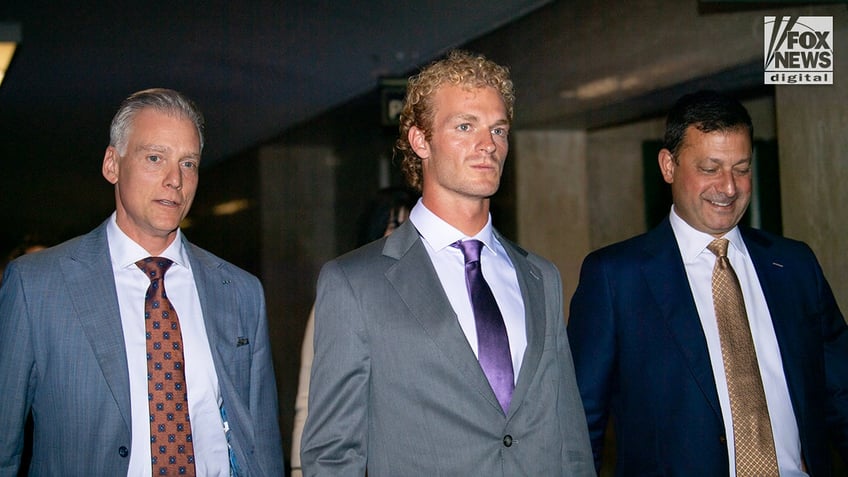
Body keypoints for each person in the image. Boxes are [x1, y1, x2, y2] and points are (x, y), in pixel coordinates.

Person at [300, 50, 594, 476]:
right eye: (464, 126)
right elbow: (332, 454)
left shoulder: (539, 276)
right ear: (421, 140)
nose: (488, 145)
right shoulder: (355, 283)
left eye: (498, 129)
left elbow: (569, 438)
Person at [0, 88, 285, 476]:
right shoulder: (37, 287)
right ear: (112, 164)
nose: (175, 180)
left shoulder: (240, 291)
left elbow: (262, 444)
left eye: (188, 163)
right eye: (155, 158)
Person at [567, 90, 848, 476]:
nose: (729, 187)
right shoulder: (616, 278)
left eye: (742, 168)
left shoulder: (795, 266)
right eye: (710, 168)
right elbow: (581, 422)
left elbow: (841, 392)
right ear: (668, 166)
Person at [289, 186, 418, 477]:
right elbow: (310, 397)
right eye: (394, 225)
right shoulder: (347, 290)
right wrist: (300, 469)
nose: (401, 236)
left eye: (410, 225)